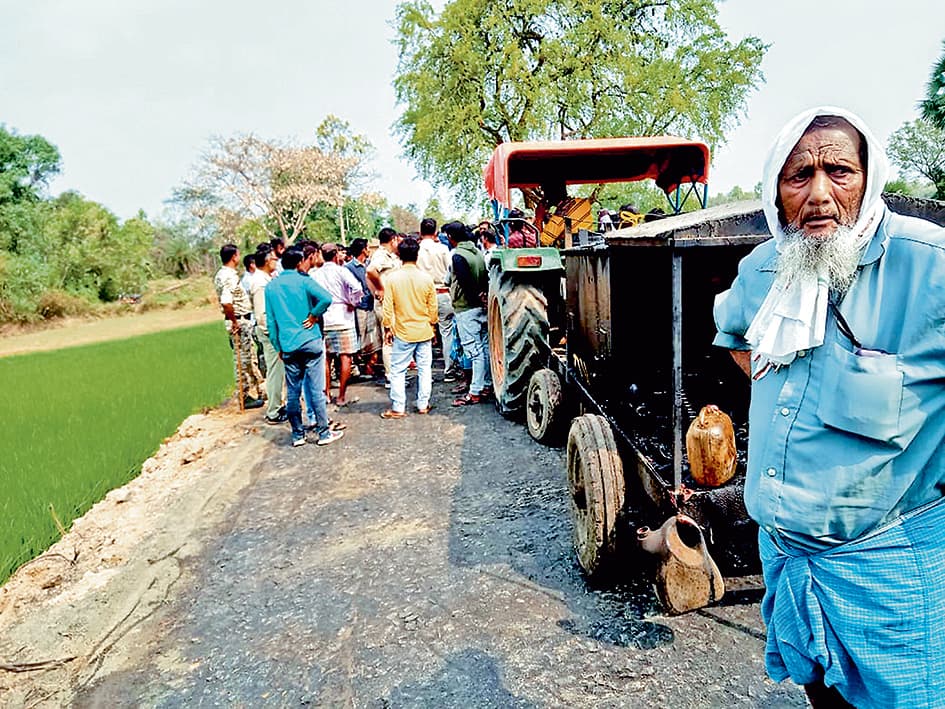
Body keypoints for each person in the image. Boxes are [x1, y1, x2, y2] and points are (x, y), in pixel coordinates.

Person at [713, 107, 945, 708]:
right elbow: (737, 337)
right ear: (776, 191)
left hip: (889, 574)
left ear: (869, 180)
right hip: (788, 561)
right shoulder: (764, 268)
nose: (819, 194)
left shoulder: (930, 266)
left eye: (838, 171)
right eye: (799, 176)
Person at [265, 247, 342, 447]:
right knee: (316, 390)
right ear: (299, 263)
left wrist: (277, 346)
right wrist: (314, 314)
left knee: (292, 392)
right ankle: (323, 433)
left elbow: (271, 322)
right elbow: (326, 298)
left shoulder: (272, 287)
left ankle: (297, 435)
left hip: (288, 344)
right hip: (310, 340)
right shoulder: (304, 280)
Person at [380, 237, 438, 419]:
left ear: (399, 255)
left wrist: (388, 328)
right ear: (417, 254)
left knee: (397, 370)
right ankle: (423, 404)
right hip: (424, 330)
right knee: (424, 369)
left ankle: (398, 407)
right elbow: (433, 308)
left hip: (403, 332)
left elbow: (387, 307)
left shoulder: (392, 279)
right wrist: (433, 325)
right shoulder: (426, 279)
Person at [444, 221, 492, 406]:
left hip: (466, 309)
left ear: (450, 237)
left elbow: (464, 283)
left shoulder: (458, 256)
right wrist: (483, 299)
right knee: (485, 349)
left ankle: (475, 392)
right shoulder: (478, 253)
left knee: (474, 352)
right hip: (481, 309)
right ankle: (487, 385)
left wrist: (476, 298)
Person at [212, 244, 264, 410]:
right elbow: (226, 302)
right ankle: (244, 395)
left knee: (247, 358)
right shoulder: (229, 277)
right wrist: (235, 321)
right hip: (239, 320)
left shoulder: (223, 274)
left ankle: (252, 391)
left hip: (240, 319)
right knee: (242, 360)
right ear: (234, 257)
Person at [313, 242, 363, 407]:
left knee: (326, 359)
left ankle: (326, 393)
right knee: (345, 356)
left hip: (324, 319)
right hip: (343, 318)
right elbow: (357, 287)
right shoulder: (342, 271)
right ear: (335, 255)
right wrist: (352, 302)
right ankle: (341, 395)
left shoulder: (316, 274)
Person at [416, 217, 459, 382]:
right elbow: (451, 270)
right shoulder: (442, 249)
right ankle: (449, 370)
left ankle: (424, 373)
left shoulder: (416, 250)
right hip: (442, 293)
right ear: (436, 233)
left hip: (421, 295)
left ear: (420, 232)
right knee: (447, 332)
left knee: (422, 335)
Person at [249, 249, 286, 424]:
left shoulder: (265, 279)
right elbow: (262, 314)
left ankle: (278, 404)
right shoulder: (260, 283)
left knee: (278, 371)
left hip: (271, 331)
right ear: (266, 261)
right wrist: (273, 336)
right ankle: (273, 411)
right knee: (275, 371)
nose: (275, 261)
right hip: (268, 333)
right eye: (273, 258)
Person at [366, 227, 402, 385]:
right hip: (385, 304)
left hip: (390, 301)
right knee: (390, 339)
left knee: (392, 337)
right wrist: (380, 289)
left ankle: (395, 374)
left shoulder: (389, 256)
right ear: (393, 239)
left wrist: (376, 290)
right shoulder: (381, 255)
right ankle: (391, 376)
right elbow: (370, 272)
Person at [345, 238, 383, 380]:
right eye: (367, 247)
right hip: (359, 307)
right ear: (363, 250)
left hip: (371, 304)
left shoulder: (369, 265)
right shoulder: (349, 268)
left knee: (373, 337)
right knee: (359, 335)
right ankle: (356, 367)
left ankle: (369, 365)